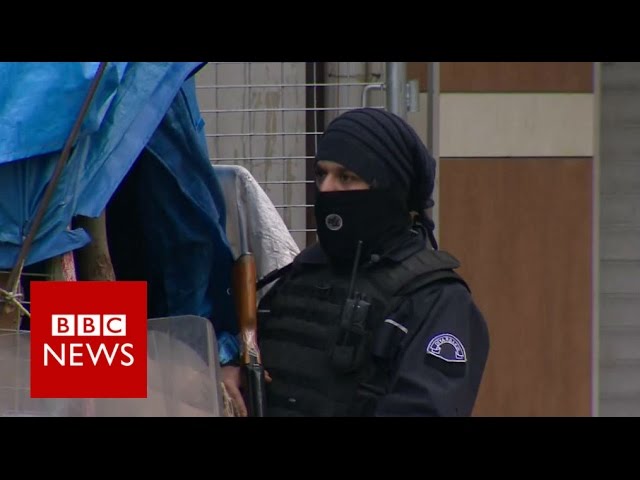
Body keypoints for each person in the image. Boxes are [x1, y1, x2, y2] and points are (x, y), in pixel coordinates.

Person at [221, 107, 490, 417]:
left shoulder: (435, 299)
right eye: (321, 174)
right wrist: (231, 373)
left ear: (389, 187)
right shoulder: (300, 274)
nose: (326, 189)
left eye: (346, 177)